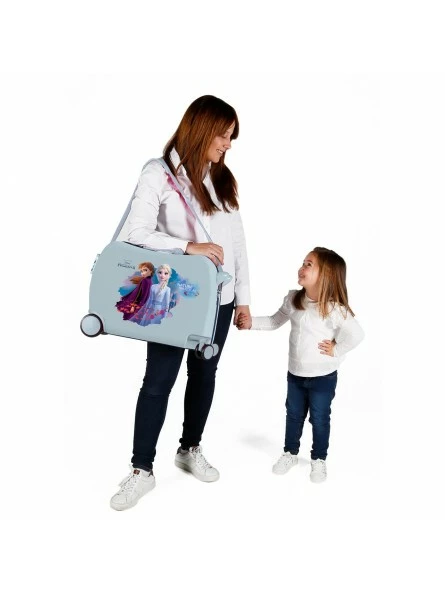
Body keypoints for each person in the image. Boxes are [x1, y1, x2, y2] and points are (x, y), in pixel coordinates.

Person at [110, 95, 251, 511]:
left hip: (220, 300)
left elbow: (237, 245)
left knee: (204, 375)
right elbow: (135, 233)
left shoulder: (222, 179)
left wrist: (244, 299)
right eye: (223, 135)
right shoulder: (158, 173)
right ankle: (141, 470)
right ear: (202, 129)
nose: (228, 144)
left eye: (231, 137)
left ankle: (189, 449)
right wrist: (188, 246)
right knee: (158, 381)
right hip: (174, 299)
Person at [237, 247, 364, 483]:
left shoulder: (334, 309)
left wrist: (336, 349)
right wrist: (250, 323)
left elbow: (357, 334)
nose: (301, 267)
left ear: (326, 276)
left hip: (323, 376)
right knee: (293, 415)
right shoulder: (294, 300)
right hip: (295, 374)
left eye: (309, 264)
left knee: (320, 418)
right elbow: (274, 321)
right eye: (303, 262)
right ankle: (290, 453)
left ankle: (319, 459)